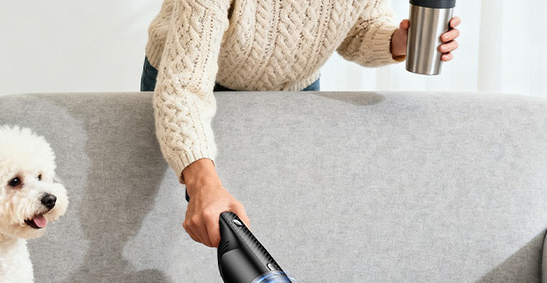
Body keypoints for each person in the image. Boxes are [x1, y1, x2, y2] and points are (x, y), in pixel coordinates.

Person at [141, 1, 460, 248]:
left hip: (294, 87)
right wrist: (203, 185)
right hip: (191, 83)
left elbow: (358, 30)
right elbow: (183, 86)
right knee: (182, 223)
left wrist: (399, 40)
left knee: (285, 223)